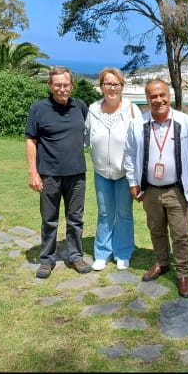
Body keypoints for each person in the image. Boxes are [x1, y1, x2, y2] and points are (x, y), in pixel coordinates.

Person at [123, 79, 188, 298]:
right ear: (147, 98)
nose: (158, 100)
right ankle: (161, 263)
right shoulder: (137, 124)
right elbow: (130, 155)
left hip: (177, 189)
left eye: (162, 95)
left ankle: (182, 273)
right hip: (150, 189)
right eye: (153, 96)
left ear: (168, 95)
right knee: (156, 230)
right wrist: (133, 183)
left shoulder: (187, 122)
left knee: (180, 234)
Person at [25, 66, 91, 278]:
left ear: (72, 85)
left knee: (75, 219)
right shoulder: (39, 108)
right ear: (50, 85)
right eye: (58, 85)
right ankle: (46, 260)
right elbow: (31, 140)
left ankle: (76, 256)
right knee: (49, 219)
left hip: (77, 174)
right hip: (49, 174)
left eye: (66, 85)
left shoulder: (80, 106)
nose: (62, 89)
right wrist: (33, 173)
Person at [84, 67, 143, 271]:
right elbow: (85, 137)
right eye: (107, 83)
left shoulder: (132, 109)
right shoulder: (93, 110)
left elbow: (140, 142)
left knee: (124, 213)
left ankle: (123, 252)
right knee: (105, 213)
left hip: (125, 173)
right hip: (101, 171)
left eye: (116, 84)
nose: (112, 88)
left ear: (122, 87)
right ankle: (102, 252)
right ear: (101, 87)